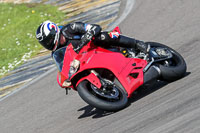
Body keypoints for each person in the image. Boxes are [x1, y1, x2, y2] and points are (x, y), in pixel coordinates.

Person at [36, 20, 149, 54]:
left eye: (49, 40)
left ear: (54, 32)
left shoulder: (71, 28)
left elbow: (95, 27)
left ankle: (137, 44)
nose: (48, 44)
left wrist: (88, 35)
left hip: (97, 45)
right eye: (45, 43)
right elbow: (64, 69)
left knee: (102, 36)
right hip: (87, 58)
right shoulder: (57, 52)